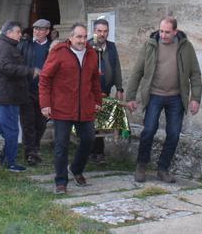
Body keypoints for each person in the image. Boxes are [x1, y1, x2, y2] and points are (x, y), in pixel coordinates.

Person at [125, 16, 202, 183]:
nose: (163, 35)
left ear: (175, 31)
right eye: (161, 31)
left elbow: (195, 73)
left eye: (167, 32)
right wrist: (130, 97)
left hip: (176, 97)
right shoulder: (150, 45)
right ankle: (141, 165)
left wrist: (195, 98)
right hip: (154, 95)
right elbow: (137, 72)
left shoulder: (186, 47)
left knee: (173, 134)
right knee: (149, 130)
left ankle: (163, 168)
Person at [39, 23, 102, 194]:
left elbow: (95, 80)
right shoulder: (59, 53)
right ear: (71, 37)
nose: (82, 40)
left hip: (85, 107)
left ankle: (76, 169)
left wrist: (97, 100)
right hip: (62, 107)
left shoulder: (91, 54)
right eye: (78, 37)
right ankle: (61, 181)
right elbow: (45, 78)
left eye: (84, 37)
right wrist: (45, 103)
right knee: (61, 144)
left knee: (89, 139)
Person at [0, 21, 38, 172]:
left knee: (2, 129)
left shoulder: (5, 45)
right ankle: (10, 162)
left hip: (6, 94)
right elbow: (6, 67)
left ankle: (2, 158)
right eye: (17, 32)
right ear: (9, 33)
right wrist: (29, 71)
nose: (20, 35)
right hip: (7, 96)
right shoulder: (5, 46)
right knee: (11, 130)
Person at [17, 18, 52, 165]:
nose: (37, 32)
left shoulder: (53, 47)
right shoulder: (24, 46)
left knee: (41, 123)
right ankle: (30, 152)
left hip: (45, 92)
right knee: (28, 122)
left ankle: (35, 147)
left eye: (41, 29)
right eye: (35, 29)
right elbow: (17, 65)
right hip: (27, 89)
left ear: (47, 31)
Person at [88, 18, 124, 164]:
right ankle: (90, 152)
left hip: (105, 91)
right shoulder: (87, 46)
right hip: (89, 92)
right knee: (91, 123)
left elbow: (116, 68)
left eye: (105, 31)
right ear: (94, 31)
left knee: (102, 122)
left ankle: (99, 153)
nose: (102, 34)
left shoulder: (112, 47)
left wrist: (119, 88)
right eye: (99, 31)